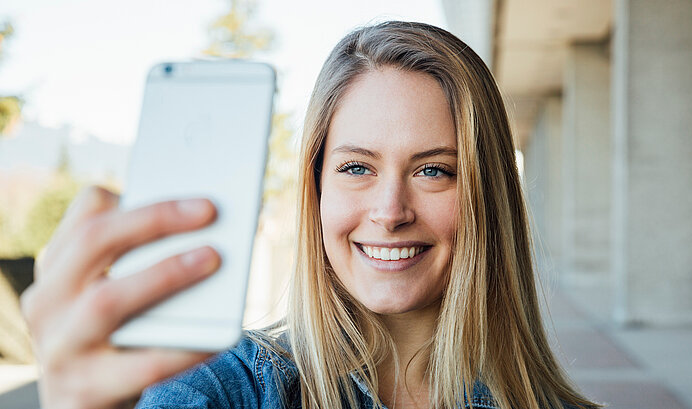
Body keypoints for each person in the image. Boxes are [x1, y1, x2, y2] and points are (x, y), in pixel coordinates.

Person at [22, 21, 601, 409]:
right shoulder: (227, 388)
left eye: (433, 170)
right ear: (315, 190)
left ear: (486, 197)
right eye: (356, 168)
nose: (390, 211)